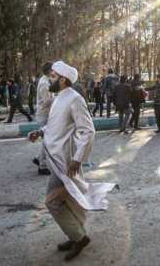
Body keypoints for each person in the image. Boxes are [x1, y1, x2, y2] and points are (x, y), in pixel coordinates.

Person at [28, 61, 117, 261]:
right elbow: (55, 126)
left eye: (52, 76)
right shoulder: (59, 98)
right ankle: (74, 234)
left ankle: (80, 237)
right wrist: (40, 132)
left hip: (66, 164)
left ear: (62, 79)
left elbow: (88, 130)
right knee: (69, 200)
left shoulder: (75, 99)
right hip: (56, 158)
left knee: (52, 202)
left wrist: (77, 160)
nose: (49, 79)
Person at [33, 62, 54, 175]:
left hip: (44, 114)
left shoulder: (45, 81)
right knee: (48, 140)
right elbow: (47, 101)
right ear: (50, 70)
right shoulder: (44, 83)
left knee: (48, 140)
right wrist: (58, 98)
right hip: (44, 114)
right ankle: (42, 165)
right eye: (53, 70)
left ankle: (38, 158)